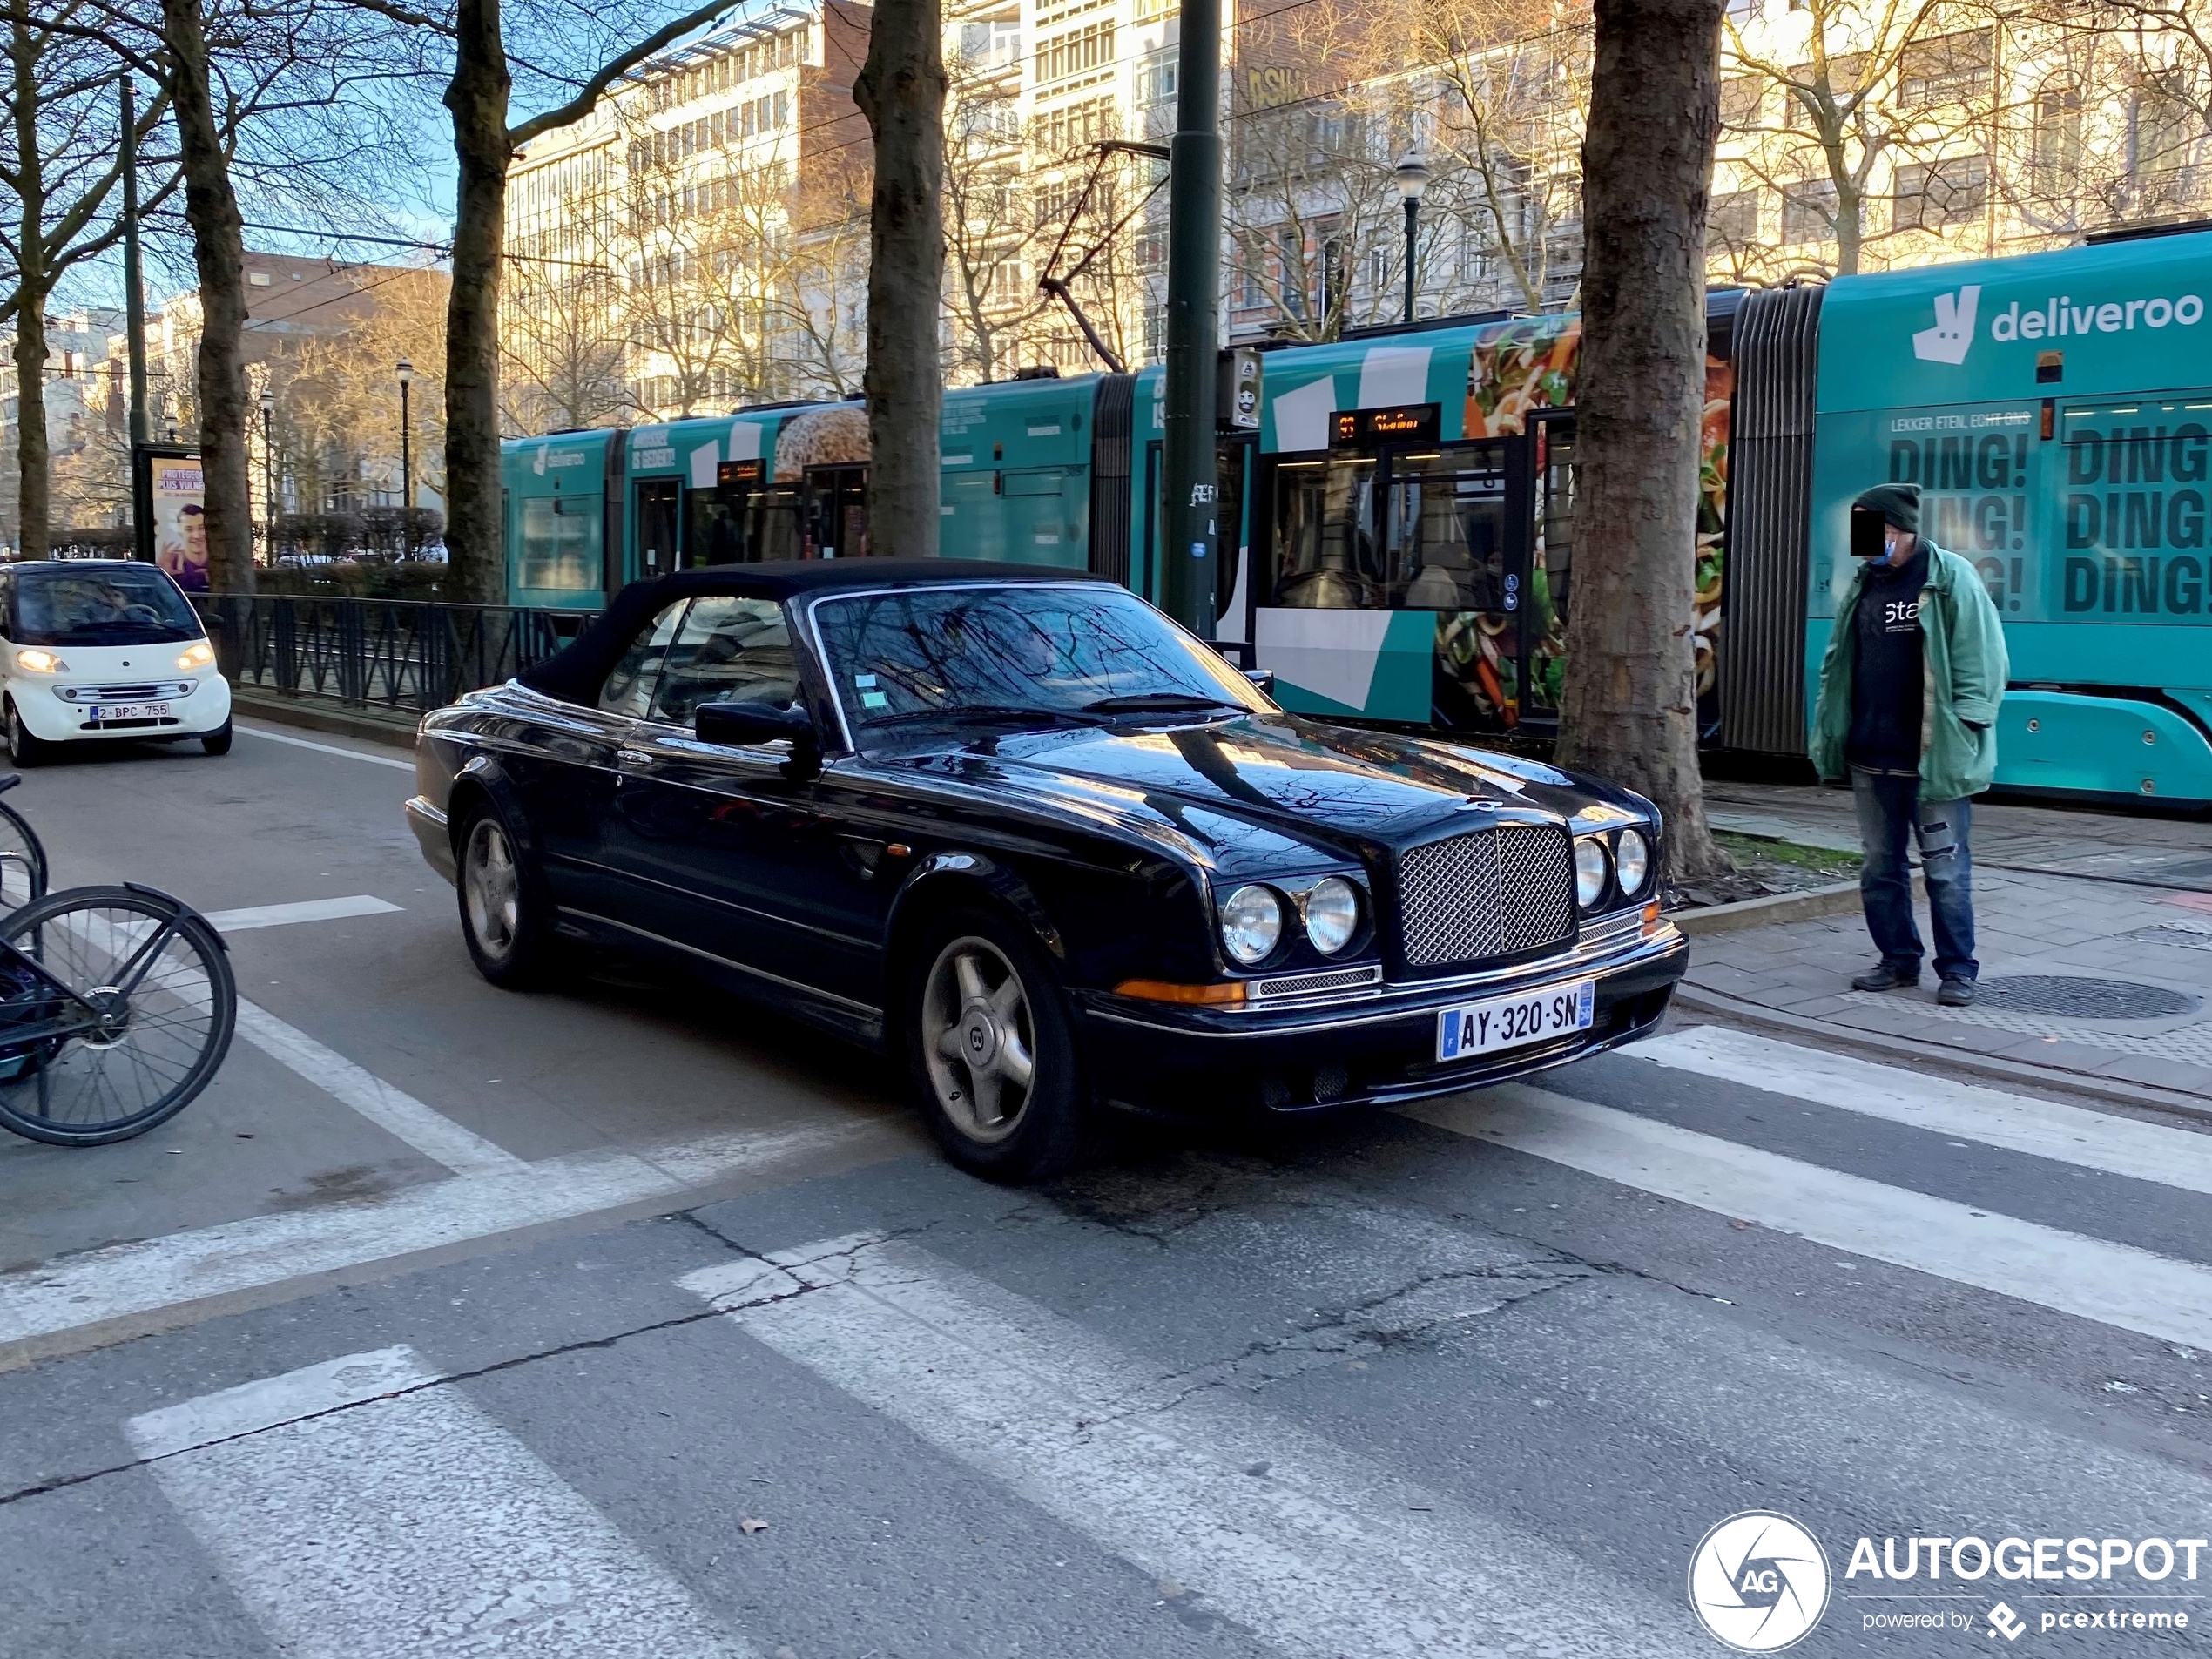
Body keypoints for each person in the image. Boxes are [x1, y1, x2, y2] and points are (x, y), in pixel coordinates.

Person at [1809, 482, 2008, 1008]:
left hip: (1932, 759)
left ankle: (1958, 969)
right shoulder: (1864, 582)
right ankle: (1897, 961)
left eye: (1874, 531)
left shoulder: (1949, 578)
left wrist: (1966, 730)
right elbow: (1840, 663)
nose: (1866, 544)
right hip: (1871, 757)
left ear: (1902, 530)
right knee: (1880, 867)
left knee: (1944, 870)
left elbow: (1984, 664)